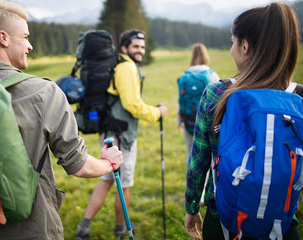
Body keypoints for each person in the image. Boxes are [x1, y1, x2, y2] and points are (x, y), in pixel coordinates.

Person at [0, 0, 123, 239]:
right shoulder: (43, 92)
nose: (30, 45)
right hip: (33, 228)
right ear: (4, 38)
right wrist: (109, 163)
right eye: (25, 37)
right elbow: (79, 165)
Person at [184, 2, 301, 240]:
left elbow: (199, 162)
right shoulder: (298, 97)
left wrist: (192, 206)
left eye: (232, 42)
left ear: (244, 46)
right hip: (281, 223)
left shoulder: (218, 93)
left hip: (225, 220)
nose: (231, 49)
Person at [76, 30, 168, 239]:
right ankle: (120, 228)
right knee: (123, 184)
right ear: (124, 47)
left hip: (111, 132)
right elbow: (131, 104)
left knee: (107, 179)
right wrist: (157, 113)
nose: (140, 51)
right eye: (135, 46)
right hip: (121, 135)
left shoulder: (120, 65)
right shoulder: (126, 67)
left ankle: (84, 227)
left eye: (142, 47)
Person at [177, 43, 219, 164]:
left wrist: (180, 121)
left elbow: (180, 100)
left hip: (188, 120)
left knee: (190, 153)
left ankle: (190, 180)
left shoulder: (184, 76)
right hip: (207, 122)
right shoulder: (212, 75)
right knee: (209, 154)